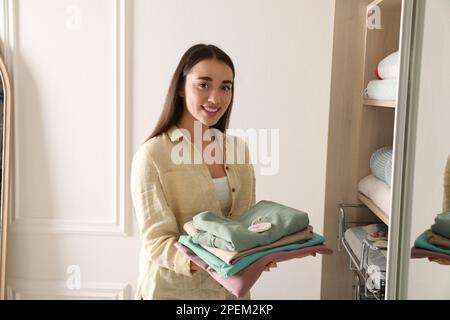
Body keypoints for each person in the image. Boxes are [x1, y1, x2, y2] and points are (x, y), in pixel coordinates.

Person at [131, 44, 276, 300]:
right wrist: (218, 261)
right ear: (180, 87)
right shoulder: (152, 155)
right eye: (203, 85)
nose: (215, 98)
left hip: (231, 292)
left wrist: (261, 252)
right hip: (173, 293)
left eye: (225, 87)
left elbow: (246, 225)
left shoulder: (237, 149)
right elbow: (157, 241)